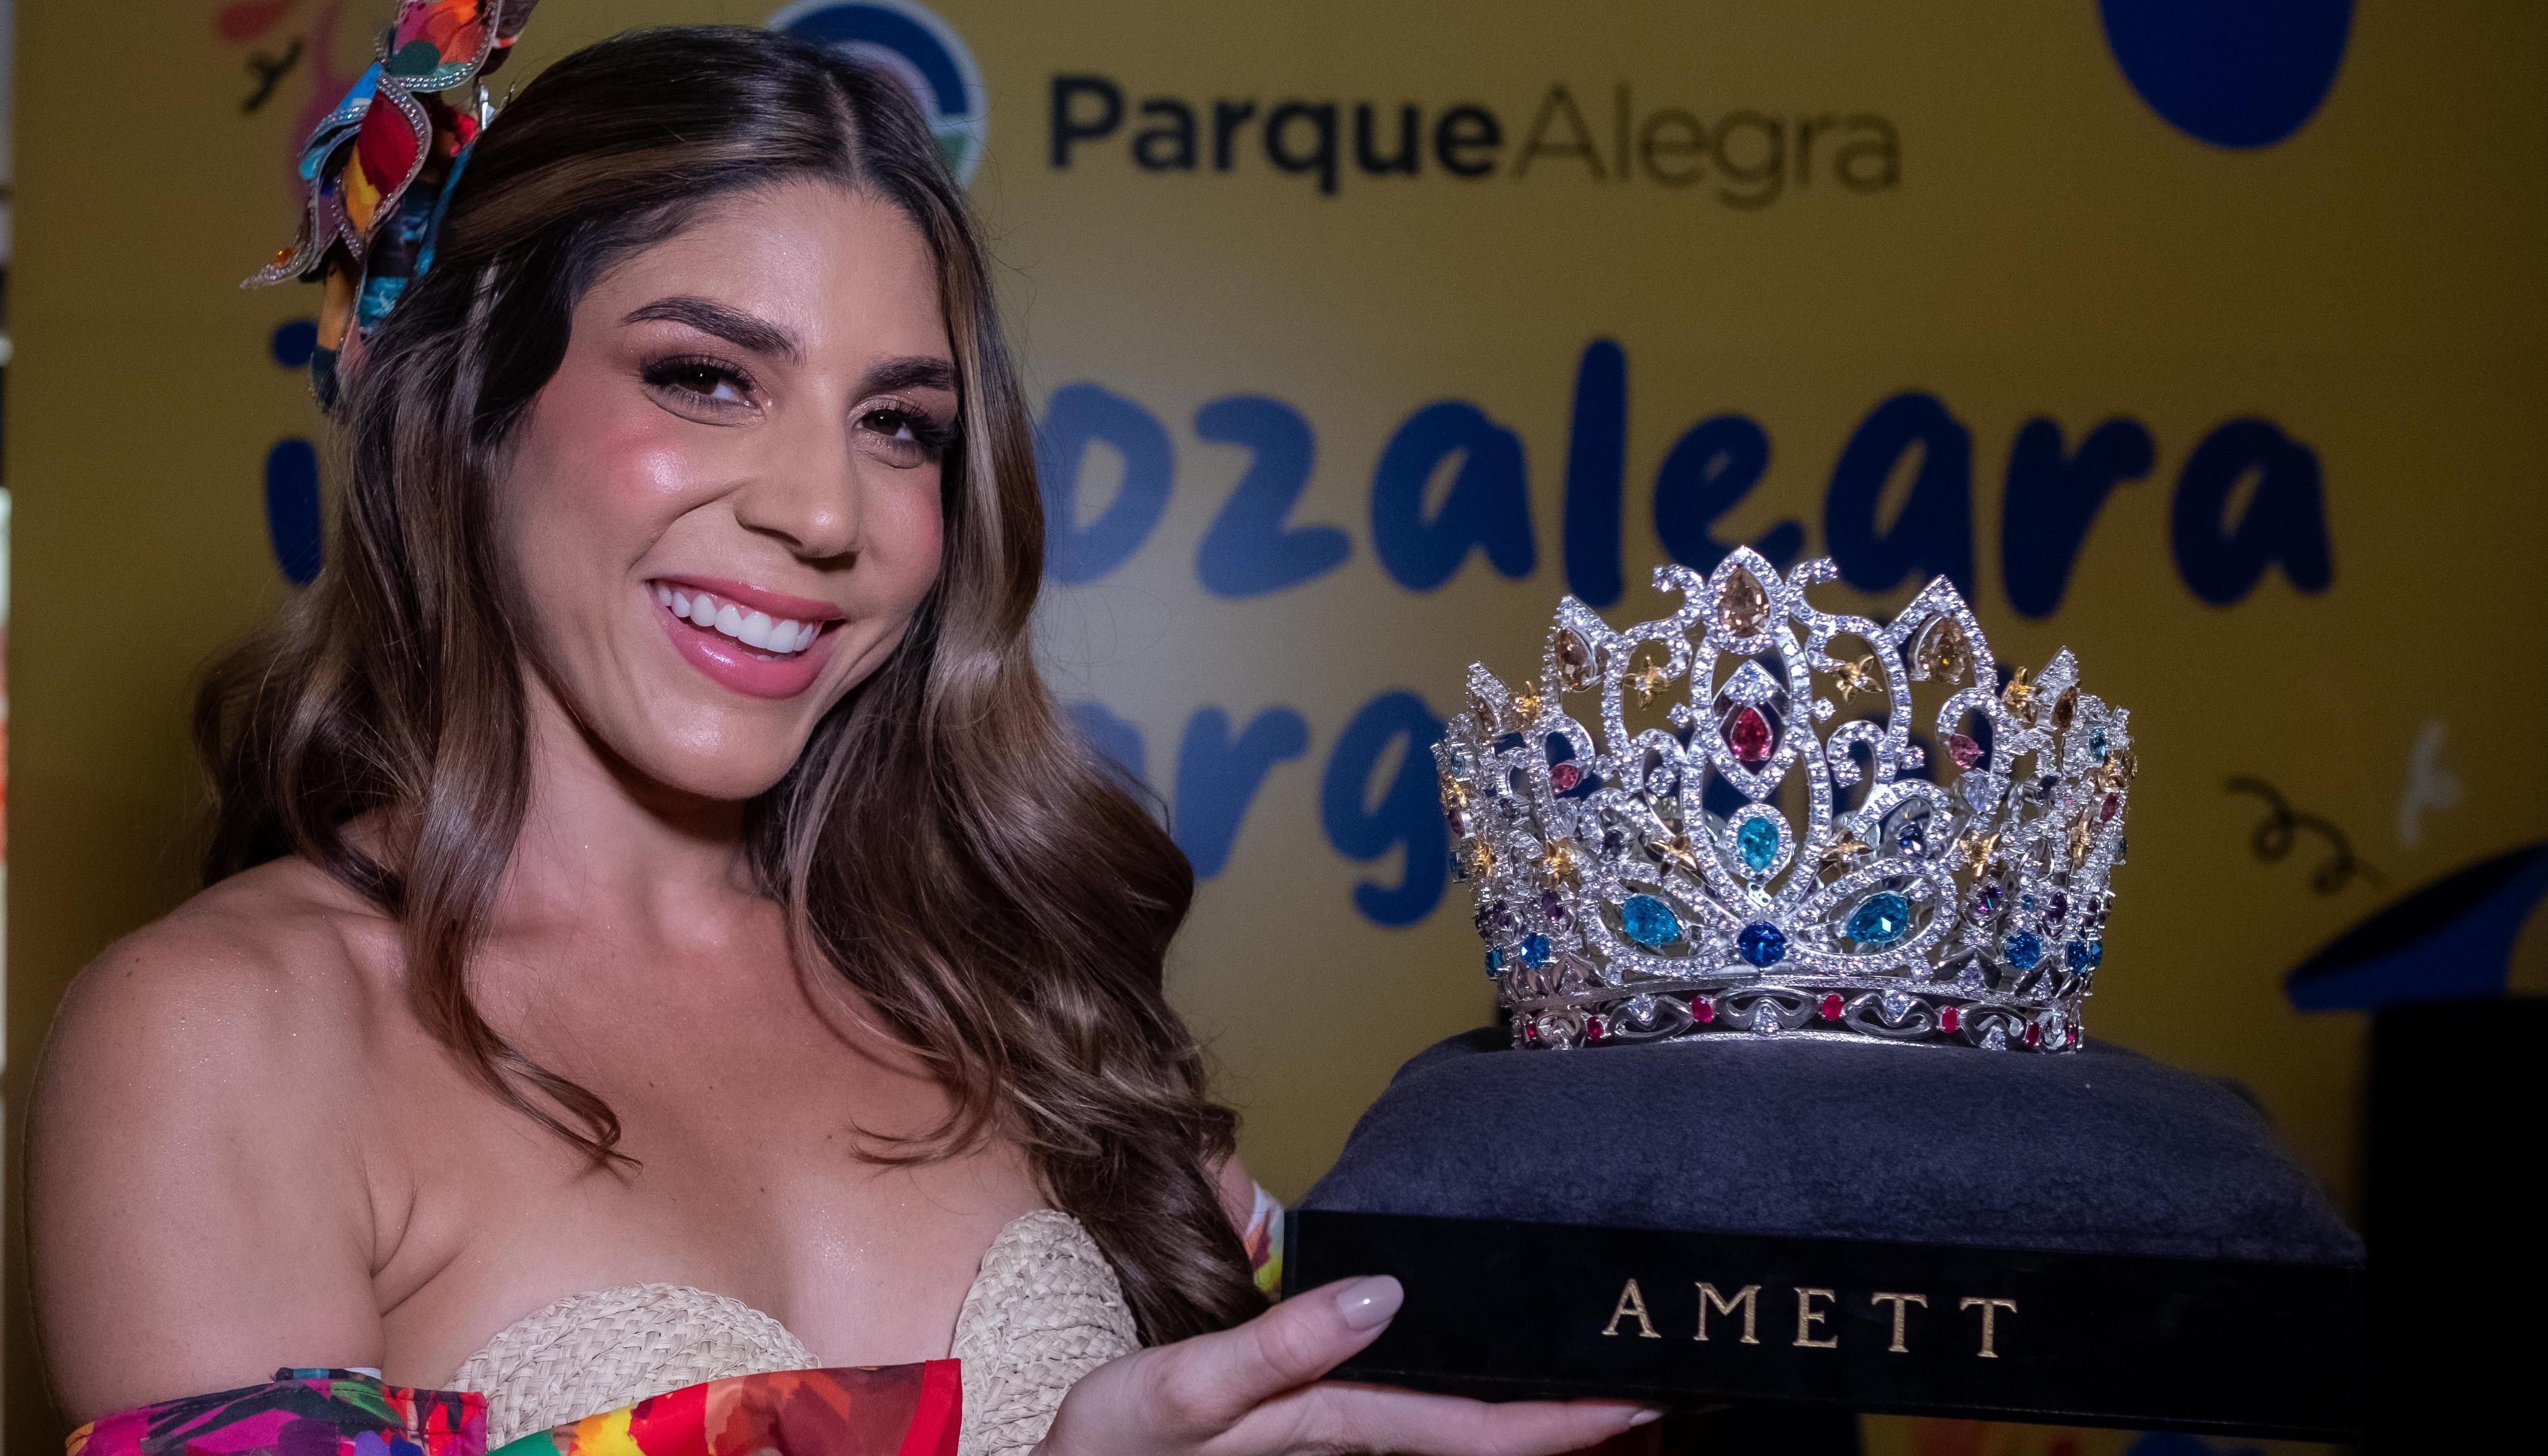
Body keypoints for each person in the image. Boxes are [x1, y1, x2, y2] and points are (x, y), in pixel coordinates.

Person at [24, 19, 1653, 1456]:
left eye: (900, 425)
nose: (826, 512)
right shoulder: (228, 1034)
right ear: (468, 410)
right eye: (705, 377)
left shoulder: (1009, 980)